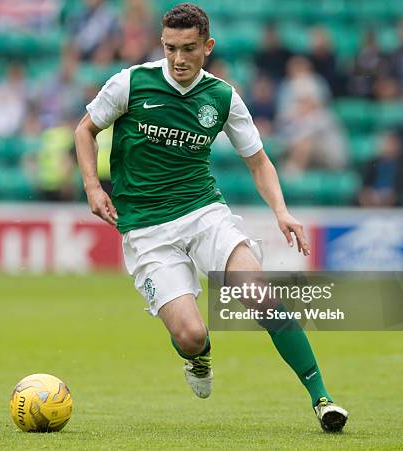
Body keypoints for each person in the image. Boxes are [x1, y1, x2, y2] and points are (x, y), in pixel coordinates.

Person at [74, 3, 348, 432]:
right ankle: (198, 357)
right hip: (147, 230)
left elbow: (258, 161)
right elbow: (84, 129)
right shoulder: (131, 83)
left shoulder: (222, 97)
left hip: (203, 214)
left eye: (188, 49)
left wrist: (281, 211)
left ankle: (323, 399)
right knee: (190, 335)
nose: (179, 59)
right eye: (170, 48)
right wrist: (93, 185)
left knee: (262, 297)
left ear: (208, 46)